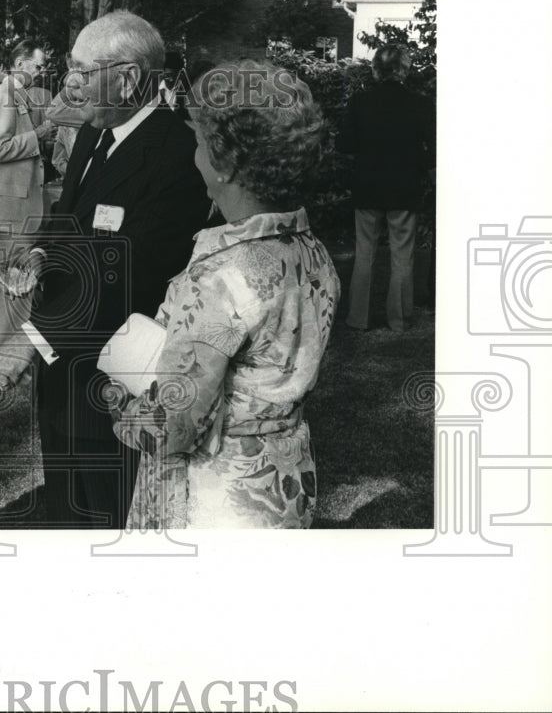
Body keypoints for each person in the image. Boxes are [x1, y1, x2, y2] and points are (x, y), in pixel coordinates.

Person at [0, 11, 210, 529]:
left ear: (126, 79)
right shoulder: (91, 136)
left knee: (108, 514)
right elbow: (73, 223)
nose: (70, 83)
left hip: (117, 384)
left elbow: (128, 272)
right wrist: (41, 255)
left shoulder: (177, 153)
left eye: (81, 71)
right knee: (66, 504)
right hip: (64, 378)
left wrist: (24, 344)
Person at [111, 60, 341, 529]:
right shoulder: (313, 254)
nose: (191, 153)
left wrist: (118, 400)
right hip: (286, 476)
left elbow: (175, 427)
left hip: (218, 498)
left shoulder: (219, 277)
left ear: (226, 163)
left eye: (197, 141)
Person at [0, 39, 58, 357]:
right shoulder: (5, 97)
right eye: (39, 65)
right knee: (16, 288)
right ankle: (7, 359)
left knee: (4, 286)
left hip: (1, 205)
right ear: (19, 63)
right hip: (12, 208)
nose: (43, 71)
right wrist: (39, 135)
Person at [339, 44, 435, 332]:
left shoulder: (360, 102)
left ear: (375, 70)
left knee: (365, 252)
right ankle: (399, 319)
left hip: (367, 185)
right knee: (402, 254)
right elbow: (432, 150)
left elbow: (343, 145)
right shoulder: (421, 103)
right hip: (405, 187)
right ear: (404, 70)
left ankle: (359, 318)